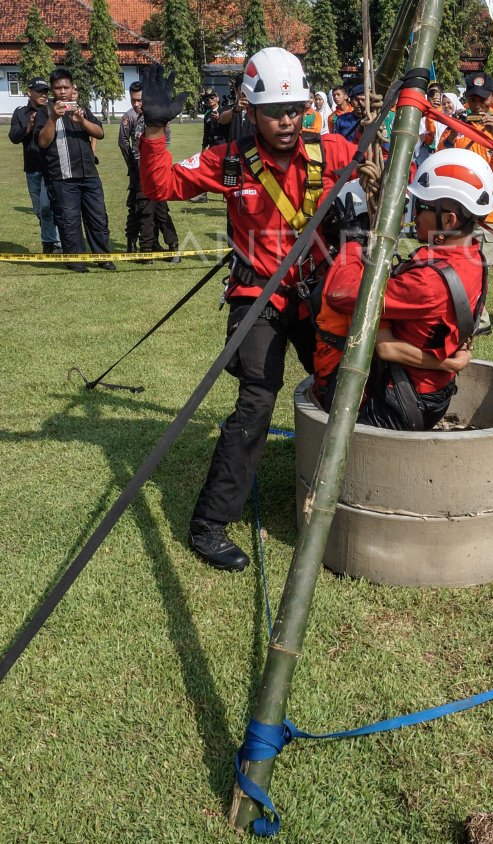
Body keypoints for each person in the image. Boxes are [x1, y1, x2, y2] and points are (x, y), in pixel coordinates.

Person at [139, 47, 356, 571]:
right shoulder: (230, 159)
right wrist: (153, 131)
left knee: (346, 382)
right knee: (257, 400)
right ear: (249, 109)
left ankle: (353, 486)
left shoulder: (333, 150)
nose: (287, 121)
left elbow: (396, 170)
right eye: (276, 112)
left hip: (317, 296)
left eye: (296, 109)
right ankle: (210, 524)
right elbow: (161, 185)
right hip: (257, 296)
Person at [317, 150, 493, 430]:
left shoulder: (427, 281)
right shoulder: (473, 257)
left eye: (422, 206)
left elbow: (341, 294)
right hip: (433, 392)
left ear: (448, 221)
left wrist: (351, 241)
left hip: (400, 401)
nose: (414, 213)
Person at [440, 72, 493, 333]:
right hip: (457, 210)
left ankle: (480, 320)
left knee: (479, 268)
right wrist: (454, 128)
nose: (478, 105)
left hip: (487, 213)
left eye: (482, 100)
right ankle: (458, 314)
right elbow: (443, 155)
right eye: (472, 99)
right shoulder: (456, 129)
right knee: (453, 263)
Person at [33, 67, 115, 272]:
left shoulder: (81, 108)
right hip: (62, 177)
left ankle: (103, 257)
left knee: (98, 218)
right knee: (69, 221)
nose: (62, 91)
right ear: (52, 90)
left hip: (89, 175)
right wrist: (53, 119)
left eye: (66, 87)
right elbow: (42, 142)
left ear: (72, 88)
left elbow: (100, 133)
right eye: (57, 88)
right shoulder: (44, 112)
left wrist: (83, 121)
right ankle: (76, 260)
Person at [118, 81, 179, 257]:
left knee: (160, 207)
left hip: (156, 168)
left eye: (139, 100)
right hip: (137, 168)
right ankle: (133, 243)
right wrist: (132, 164)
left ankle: (156, 243)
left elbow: (165, 142)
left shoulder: (158, 118)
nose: (136, 104)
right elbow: (123, 142)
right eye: (133, 100)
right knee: (139, 207)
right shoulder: (128, 117)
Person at [8, 77, 61, 254]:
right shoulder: (21, 113)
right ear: (29, 92)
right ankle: (49, 243)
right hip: (32, 168)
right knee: (39, 210)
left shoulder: (52, 110)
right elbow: (14, 137)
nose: (43, 95)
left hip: (51, 166)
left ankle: (56, 242)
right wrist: (28, 127)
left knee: (49, 206)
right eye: (39, 91)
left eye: (46, 91)